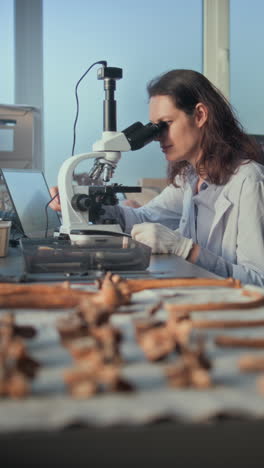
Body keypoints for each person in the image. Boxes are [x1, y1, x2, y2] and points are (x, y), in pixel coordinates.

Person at [50, 69, 264, 286]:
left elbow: (259, 280)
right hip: (194, 293)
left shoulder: (248, 181)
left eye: (166, 124)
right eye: (154, 127)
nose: (157, 137)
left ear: (200, 115)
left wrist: (185, 249)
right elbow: (144, 218)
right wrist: (86, 205)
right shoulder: (190, 177)